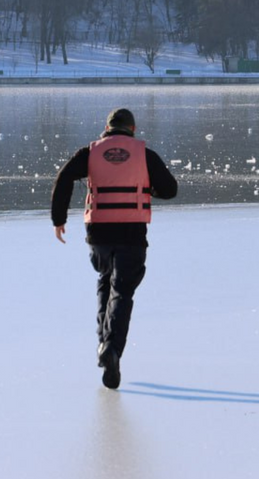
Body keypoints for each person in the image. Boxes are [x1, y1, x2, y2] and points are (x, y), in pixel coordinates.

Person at [51, 108, 178, 389]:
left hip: (99, 232)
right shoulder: (144, 153)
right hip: (132, 231)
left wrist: (58, 219)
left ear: (106, 128)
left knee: (105, 282)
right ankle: (112, 349)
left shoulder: (91, 152)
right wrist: (148, 190)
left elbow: (63, 178)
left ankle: (103, 344)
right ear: (132, 129)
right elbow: (170, 189)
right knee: (122, 291)